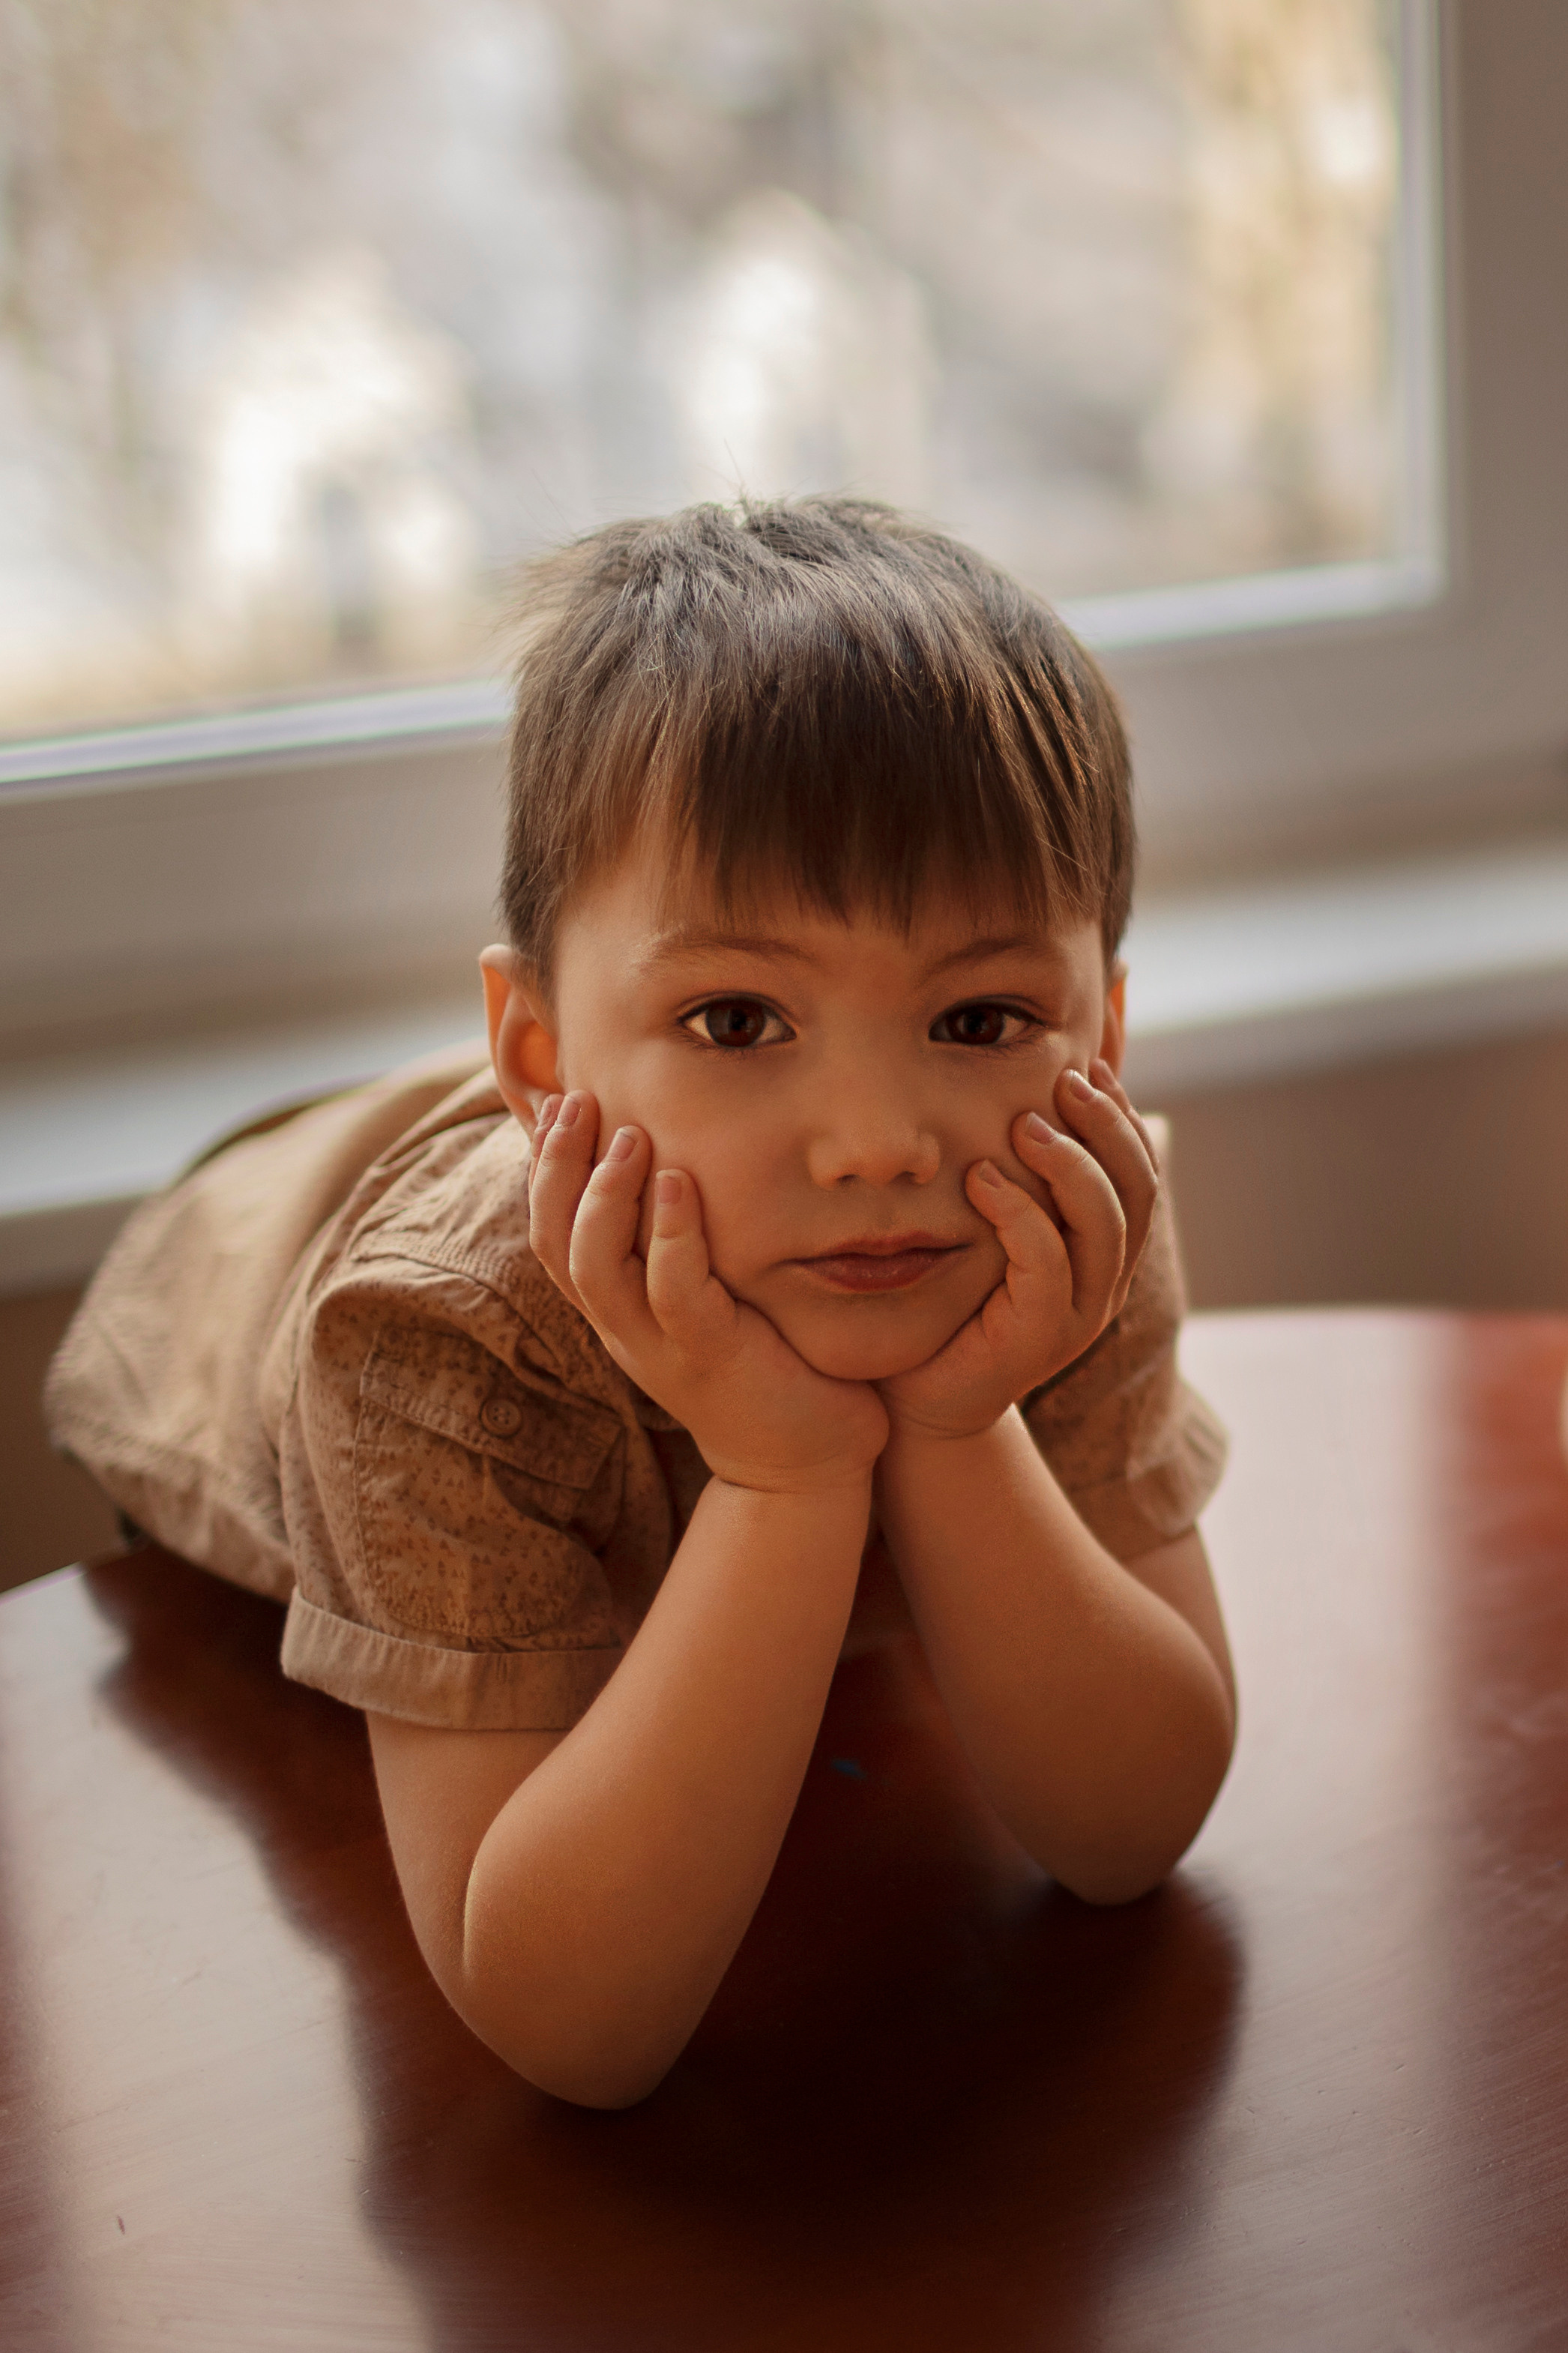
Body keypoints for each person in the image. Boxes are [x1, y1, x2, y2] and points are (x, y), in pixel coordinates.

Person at [46, 496, 1235, 2109]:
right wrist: (787, 1473)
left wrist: (951, 1426)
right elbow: (567, 2021)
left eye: (978, 1016)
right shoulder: (430, 1342)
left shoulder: (1050, 1217)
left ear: (1098, 1034)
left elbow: (1125, 1832)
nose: (880, 1145)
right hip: (233, 1301)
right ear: (538, 1052)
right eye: (739, 1016)